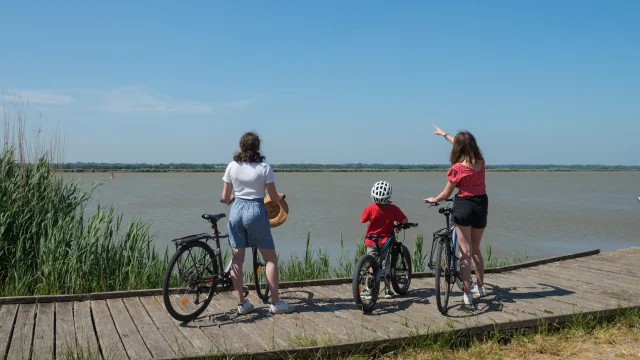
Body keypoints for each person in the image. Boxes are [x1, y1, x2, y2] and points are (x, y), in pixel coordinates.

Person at [221, 131, 294, 314]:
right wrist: (281, 196)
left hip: (236, 210)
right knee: (270, 259)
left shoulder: (232, 166)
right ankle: (276, 303)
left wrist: (232, 198)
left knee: (237, 260)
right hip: (256, 211)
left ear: (241, 146)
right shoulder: (264, 167)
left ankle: (242, 304)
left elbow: (225, 197)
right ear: (258, 147)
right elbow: (274, 196)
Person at [424, 123, 489, 306]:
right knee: (475, 249)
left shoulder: (457, 169)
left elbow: (446, 194)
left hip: (464, 206)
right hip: (481, 204)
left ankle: (467, 294)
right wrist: (445, 135)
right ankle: (481, 287)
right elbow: (462, 146)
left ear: (459, 148)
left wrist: (433, 199)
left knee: (465, 252)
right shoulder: (481, 162)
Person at [360, 180, 408, 299]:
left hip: (371, 241)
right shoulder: (393, 209)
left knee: (372, 264)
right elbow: (404, 220)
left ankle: (369, 290)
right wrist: (400, 225)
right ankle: (387, 290)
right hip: (386, 240)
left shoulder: (370, 208)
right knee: (385, 264)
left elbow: (362, 220)